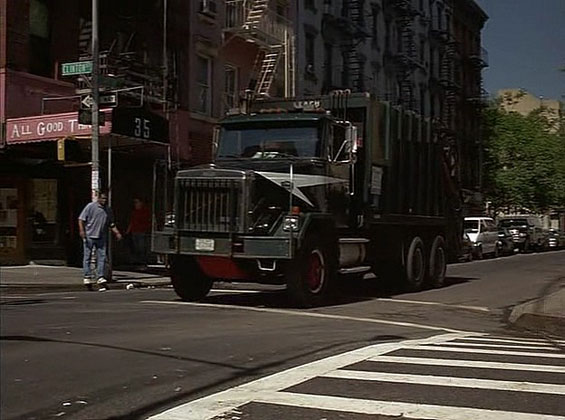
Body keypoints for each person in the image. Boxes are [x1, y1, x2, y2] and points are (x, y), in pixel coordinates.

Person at [78, 192, 122, 291]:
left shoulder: (108, 210)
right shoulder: (90, 206)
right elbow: (81, 219)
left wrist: (117, 232)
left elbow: (111, 223)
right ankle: (87, 276)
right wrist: (82, 231)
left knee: (102, 257)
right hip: (90, 235)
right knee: (87, 256)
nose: (104, 200)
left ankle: (100, 276)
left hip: (101, 236)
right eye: (102, 198)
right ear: (98, 198)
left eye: (105, 199)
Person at [126, 197, 151, 267]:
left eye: (137, 202)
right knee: (135, 247)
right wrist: (128, 230)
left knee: (141, 247)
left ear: (141, 203)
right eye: (135, 203)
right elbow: (132, 222)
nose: (135, 204)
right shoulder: (134, 212)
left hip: (142, 231)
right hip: (134, 231)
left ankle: (143, 261)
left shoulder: (145, 211)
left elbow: (148, 221)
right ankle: (137, 261)